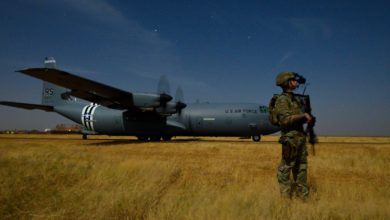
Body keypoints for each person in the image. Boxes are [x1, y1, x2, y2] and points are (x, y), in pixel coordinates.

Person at [274, 71, 313, 200]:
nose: (296, 82)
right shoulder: (282, 99)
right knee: (285, 169)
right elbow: (284, 120)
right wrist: (303, 115)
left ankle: (304, 198)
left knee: (301, 168)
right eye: (293, 80)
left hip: (300, 138)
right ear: (287, 82)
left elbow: (300, 116)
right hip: (290, 139)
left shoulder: (296, 99)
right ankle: (285, 199)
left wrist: (307, 116)